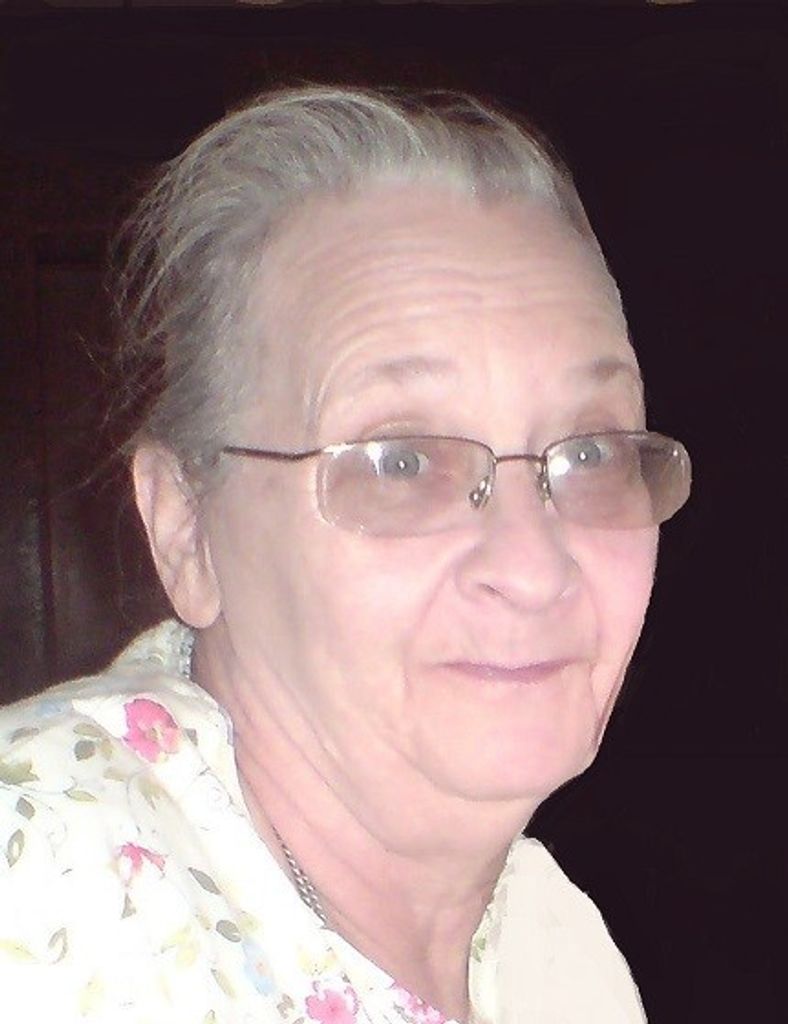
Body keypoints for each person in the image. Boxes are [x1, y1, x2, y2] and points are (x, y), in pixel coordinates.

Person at [0, 86, 690, 1023]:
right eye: (399, 462)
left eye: (593, 452)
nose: (535, 568)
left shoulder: (559, 948)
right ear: (185, 529)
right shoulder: (39, 893)